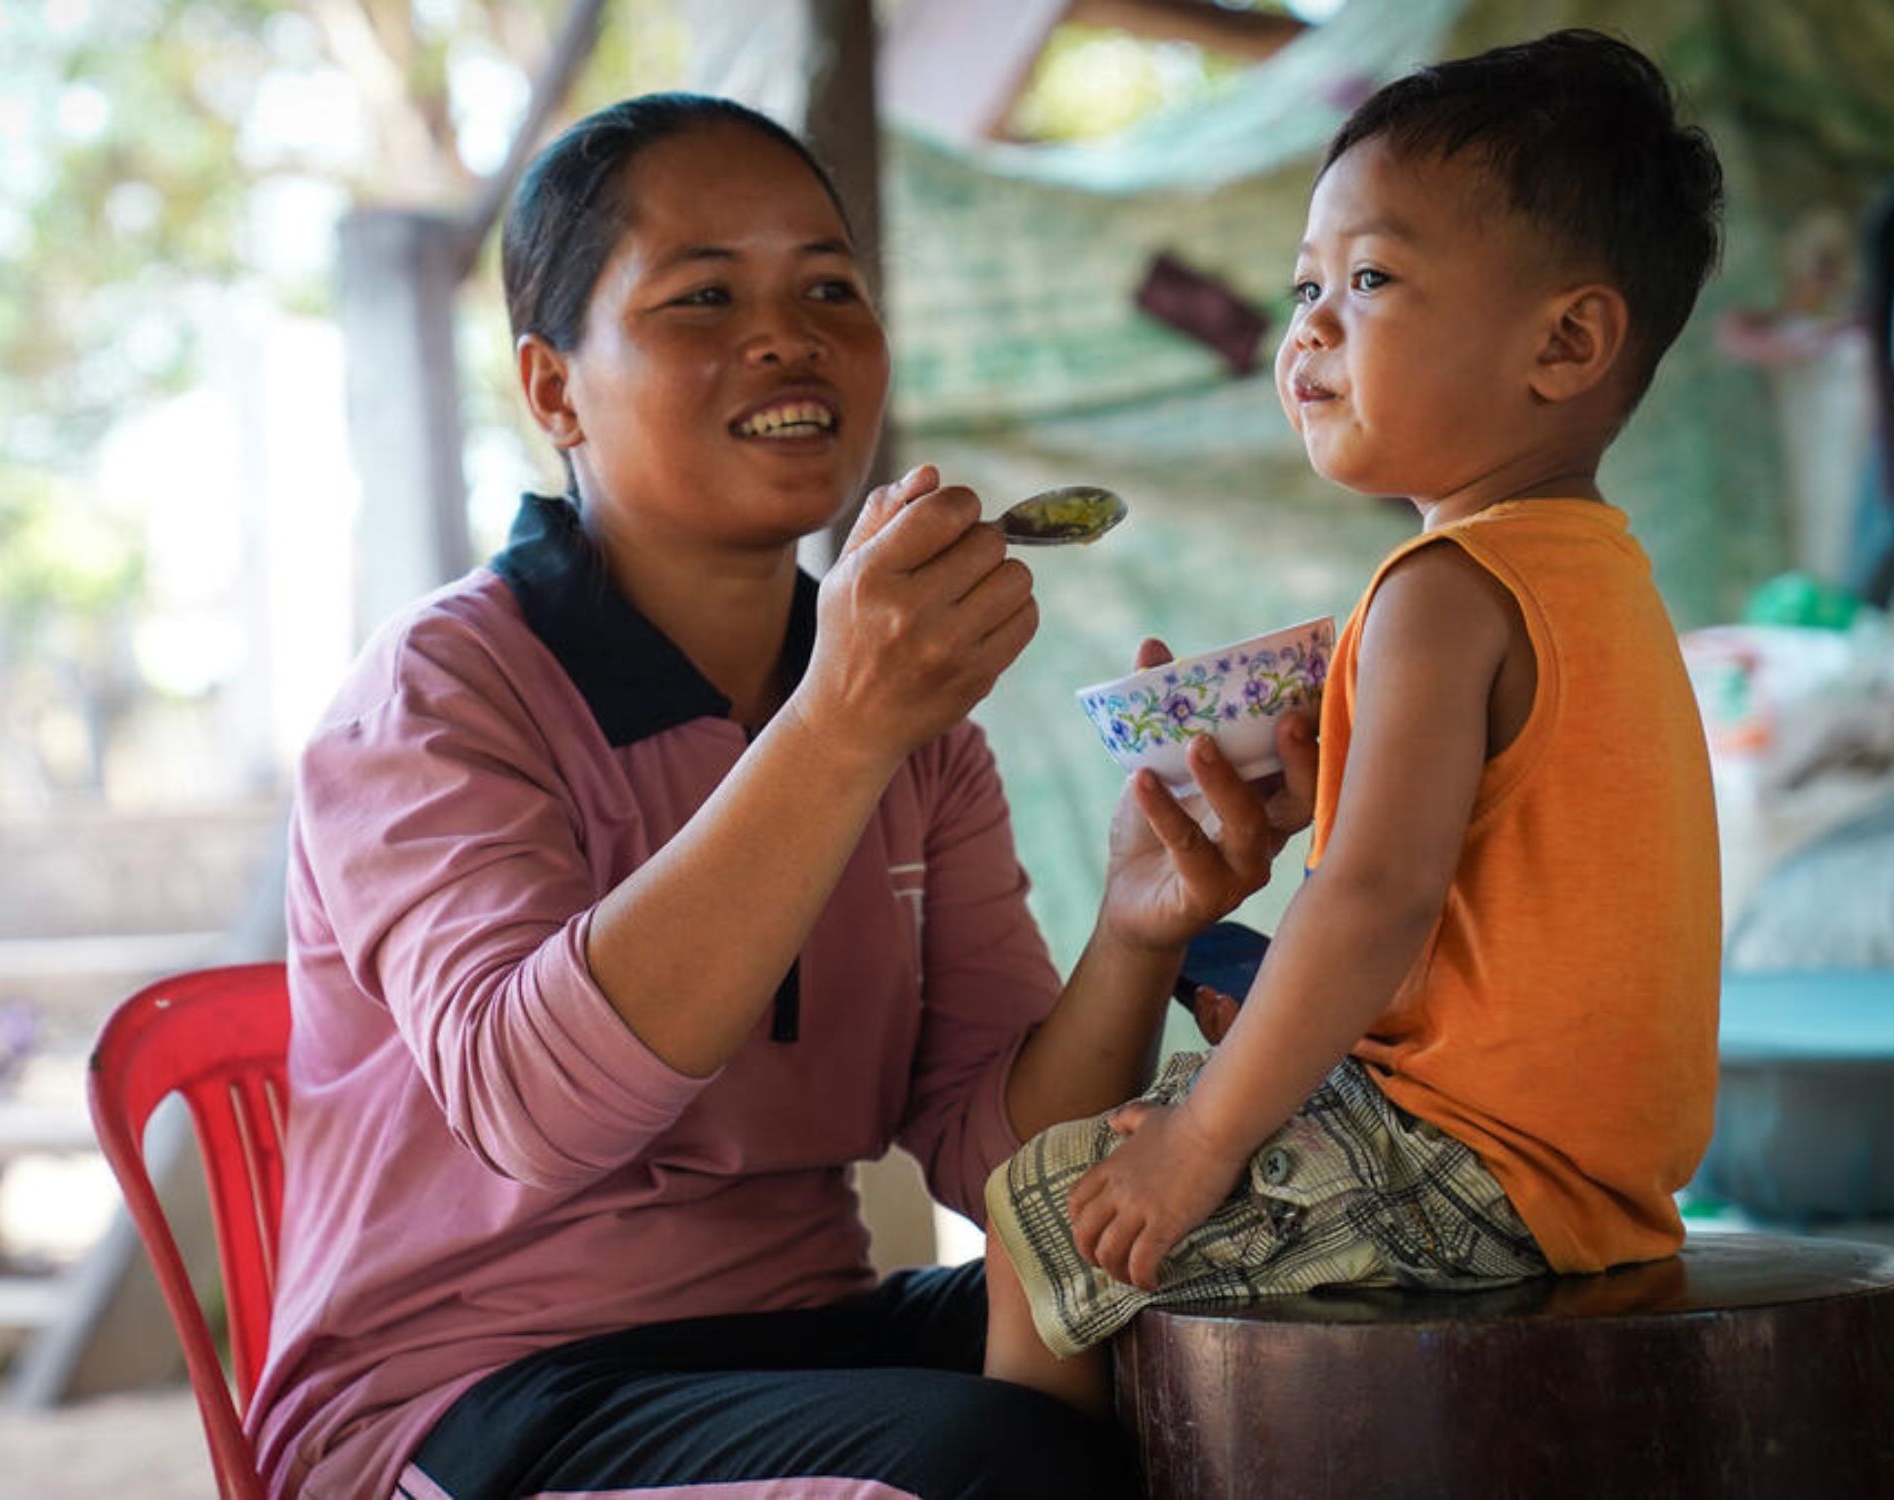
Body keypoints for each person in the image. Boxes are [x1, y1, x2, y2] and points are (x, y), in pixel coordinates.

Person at [246, 92, 1318, 1499]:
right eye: (702, 297)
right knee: (986, 1466)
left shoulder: (906, 722)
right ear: (553, 388)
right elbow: (531, 1107)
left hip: (794, 1340)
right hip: (461, 1402)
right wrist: (838, 730)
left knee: (1242, 1340)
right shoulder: (441, 697)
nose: (786, 334)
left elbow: (997, 1156)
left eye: (830, 288)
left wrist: (1132, 928)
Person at [983, 29, 1727, 1414]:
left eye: (1370, 279)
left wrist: (1200, 1140)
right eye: (1304, 286)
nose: (1309, 327)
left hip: (1471, 1167)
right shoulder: (1593, 572)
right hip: (1588, 1170)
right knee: (1214, 977)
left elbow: (1373, 894)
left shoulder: (1438, 587)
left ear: (1565, 342)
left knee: (1046, 1206)